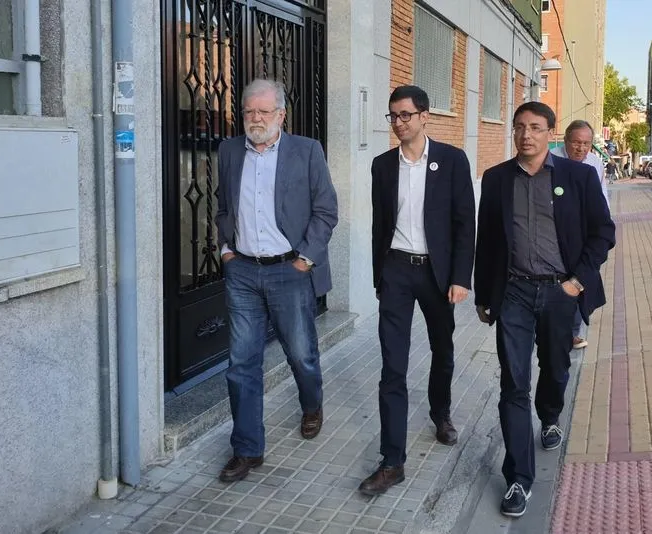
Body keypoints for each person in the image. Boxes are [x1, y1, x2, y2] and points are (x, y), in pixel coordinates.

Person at [474, 102, 615, 517]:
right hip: (514, 293)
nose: (526, 135)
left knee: (554, 368)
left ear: (550, 133)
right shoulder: (497, 178)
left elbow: (603, 233)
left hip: (559, 291)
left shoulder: (578, 176)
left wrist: (577, 282)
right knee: (513, 383)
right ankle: (519, 478)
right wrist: (484, 295)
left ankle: (550, 415)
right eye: (519, 127)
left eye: (535, 127)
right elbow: (488, 241)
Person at [214, 79, 339, 483]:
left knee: (301, 354)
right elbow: (222, 205)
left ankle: (312, 404)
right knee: (241, 364)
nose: (255, 119)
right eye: (249, 111)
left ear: (281, 115)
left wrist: (305, 259)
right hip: (243, 272)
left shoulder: (306, 151)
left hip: (290, 270)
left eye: (263, 112)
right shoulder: (230, 151)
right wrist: (226, 250)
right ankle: (247, 449)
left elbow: (326, 210)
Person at [359, 85, 476, 496]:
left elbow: (465, 223)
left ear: (425, 116)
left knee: (442, 349)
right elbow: (379, 225)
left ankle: (440, 412)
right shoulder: (382, 166)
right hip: (396, 270)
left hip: (436, 274)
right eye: (393, 116)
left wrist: (461, 277)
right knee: (393, 365)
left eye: (405, 115)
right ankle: (392, 461)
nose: (398, 123)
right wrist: (380, 278)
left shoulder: (452, 160)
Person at [551, 120, 609, 351]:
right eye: (576, 142)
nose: (581, 148)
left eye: (586, 143)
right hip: (559, 230)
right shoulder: (552, 159)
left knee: (581, 279)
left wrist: (602, 229)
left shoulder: (595, 163)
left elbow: (603, 197)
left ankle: (574, 332)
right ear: (566, 141)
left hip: (584, 232)